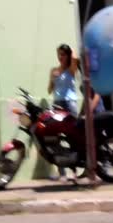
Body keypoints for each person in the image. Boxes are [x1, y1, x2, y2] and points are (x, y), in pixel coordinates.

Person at [47, 44, 80, 180]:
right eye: (59, 54)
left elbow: (76, 58)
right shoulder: (54, 70)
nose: (61, 57)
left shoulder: (71, 70)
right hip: (57, 104)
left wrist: (71, 50)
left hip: (70, 104)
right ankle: (62, 173)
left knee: (73, 137)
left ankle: (75, 171)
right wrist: (52, 79)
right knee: (55, 138)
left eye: (63, 54)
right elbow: (49, 90)